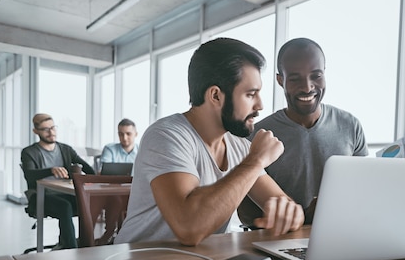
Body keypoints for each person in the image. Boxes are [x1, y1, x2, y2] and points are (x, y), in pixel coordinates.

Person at [115, 37, 304, 246]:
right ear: (215, 96)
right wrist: (256, 161)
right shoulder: (165, 136)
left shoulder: (239, 147)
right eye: (251, 94)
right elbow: (189, 227)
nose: (260, 105)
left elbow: (282, 203)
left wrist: (290, 212)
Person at [238, 38, 368, 225]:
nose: (307, 87)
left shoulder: (350, 125)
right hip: (277, 242)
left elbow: (363, 190)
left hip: (342, 233)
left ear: (324, 74)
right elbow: (247, 216)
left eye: (316, 76)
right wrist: (304, 218)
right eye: (295, 79)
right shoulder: (257, 135)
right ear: (280, 80)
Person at [21, 113, 95, 250]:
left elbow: (85, 166)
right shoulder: (29, 152)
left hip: (65, 193)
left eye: (53, 127)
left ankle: (86, 245)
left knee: (88, 203)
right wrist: (51, 170)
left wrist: (98, 176)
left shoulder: (65, 149)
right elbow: (29, 175)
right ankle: (72, 248)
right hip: (41, 196)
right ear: (35, 131)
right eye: (45, 129)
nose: (51, 132)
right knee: (65, 206)